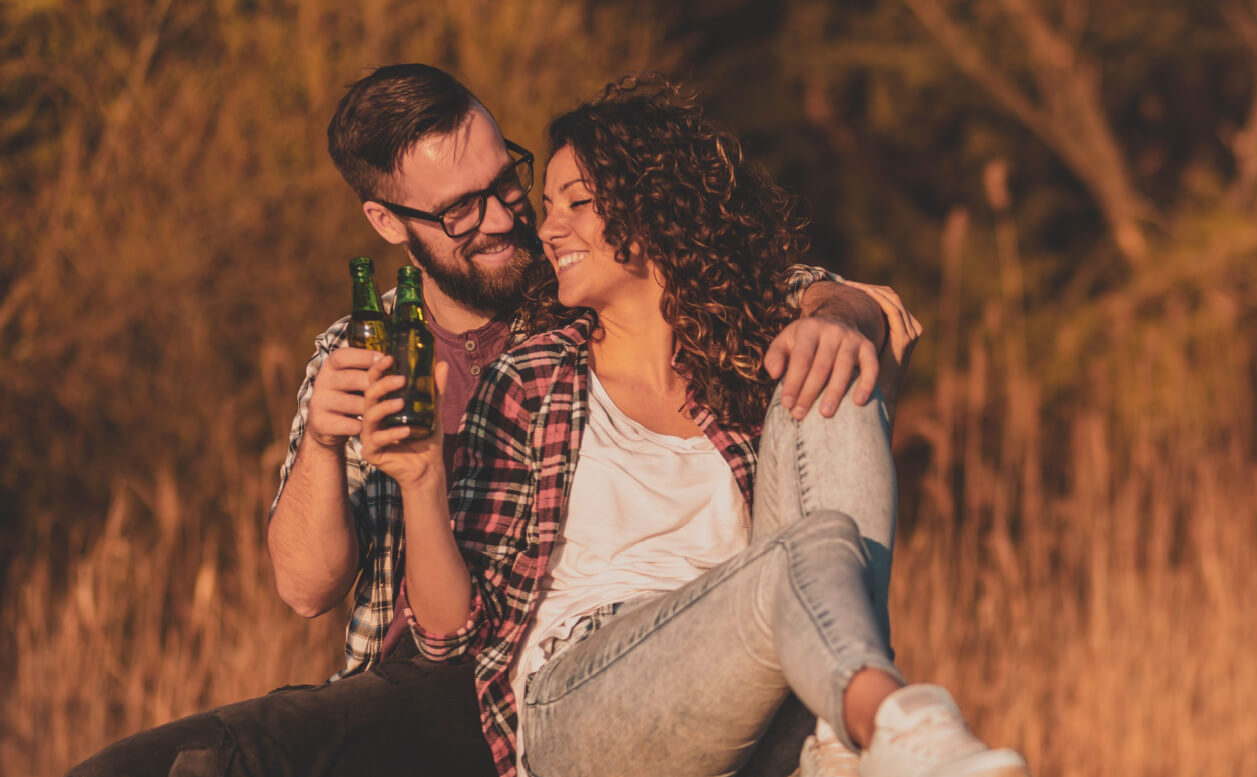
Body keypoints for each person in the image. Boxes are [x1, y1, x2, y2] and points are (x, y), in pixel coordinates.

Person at [68, 64, 907, 777]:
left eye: (508, 178)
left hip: (620, 663)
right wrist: (327, 445)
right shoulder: (364, 349)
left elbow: (725, 266)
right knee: (222, 753)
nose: (509, 218)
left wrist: (837, 306)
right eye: (464, 210)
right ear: (389, 222)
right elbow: (305, 587)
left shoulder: (571, 286)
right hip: (429, 678)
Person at [359, 73, 1028, 777]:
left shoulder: (741, 362)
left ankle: (843, 733)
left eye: (577, 204)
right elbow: (448, 638)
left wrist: (837, 317)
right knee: (797, 557)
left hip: (746, 678)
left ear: (653, 211)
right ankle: (886, 720)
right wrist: (421, 479)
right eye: (549, 204)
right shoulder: (531, 376)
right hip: (583, 697)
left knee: (836, 379)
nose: (546, 228)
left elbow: (870, 308)